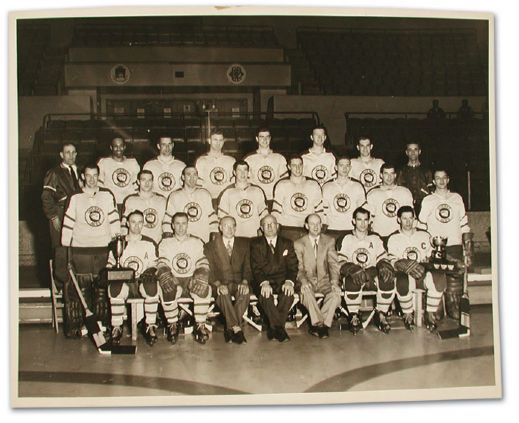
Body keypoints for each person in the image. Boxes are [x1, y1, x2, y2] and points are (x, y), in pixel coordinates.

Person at [61, 163, 121, 337]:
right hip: (81, 250)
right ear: (83, 177)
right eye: (88, 176)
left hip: (102, 249)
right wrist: (66, 248)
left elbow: (114, 221)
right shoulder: (75, 198)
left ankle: (101, 324)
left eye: (95, 175)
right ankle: (81, 325)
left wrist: (116, 241)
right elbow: (68, 224)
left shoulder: (106, 196)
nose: (92, 179)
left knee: (101, 290)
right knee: (82, 289)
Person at [419, 169, 472, 319]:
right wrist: (424, 248)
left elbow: (464, 225)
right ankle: (436, 307)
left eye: (444, 178)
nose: (441, 181)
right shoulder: (428, 200)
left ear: (448, 180)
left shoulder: (457, 198)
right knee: (437, 277)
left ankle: (453, 305)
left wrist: (468, 249)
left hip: (454, 244)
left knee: (455, 278)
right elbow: (422, 227)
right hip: (434, 247)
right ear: (433, 181)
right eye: (437, 178)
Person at [336, 207, 396, 335]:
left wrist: (384, 264)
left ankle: (381, 315)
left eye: (365, 220)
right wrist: (351, 268)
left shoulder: (375, 238)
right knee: (352, 280)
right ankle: (354, 316)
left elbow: (382, 258)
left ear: (369, 221)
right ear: (353, 221)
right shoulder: (346, 238)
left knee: (387, 278)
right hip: (354, 273)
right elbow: (340, 262)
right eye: (359, 220)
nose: (362, 224)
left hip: (371, 272)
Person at [387, 206, 447, 331]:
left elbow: (433, 256)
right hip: (405, 274)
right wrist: (400, 263)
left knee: (439, 277)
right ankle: (408, 314)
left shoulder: (424, 235)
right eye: (404, 218)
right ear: (399, 220)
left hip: (422, 272)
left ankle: (430, 314)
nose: (408, 222)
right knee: (401, 280)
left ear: (414, 219)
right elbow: (392, 261)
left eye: (410, 218)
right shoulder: (393, 238)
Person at [156, 212, 212, 344]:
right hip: (174, 279)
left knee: (204, 287)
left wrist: (201, 272)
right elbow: (162, 262)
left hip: (190, 279)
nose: (181, 227)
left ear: (188, 224)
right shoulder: (165, 242)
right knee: (166, 286)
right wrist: (166, 274)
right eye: (177, 224)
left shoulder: (196, 241)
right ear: (172, 225)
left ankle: (199, 325)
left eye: (184, 223)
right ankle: (173, 325)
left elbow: (202, 260)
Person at [105, 210, 159, 344]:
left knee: (151, 285)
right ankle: (117, 327)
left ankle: (150, 325)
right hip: (125, 283)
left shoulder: (149, 242)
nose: (137, 225)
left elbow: (154, 264)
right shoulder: (118, 242)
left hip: (141, 281)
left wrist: (151, 271)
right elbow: (110, 264)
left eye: (140, 222)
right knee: (115, 287)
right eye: (133, 222)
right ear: (127, 223)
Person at [250, 214, 298, 342]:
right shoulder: (255, 244)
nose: (270, 227)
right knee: (265, 295)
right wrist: (264, 283)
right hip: (264, 280)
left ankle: (273, 327)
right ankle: (279, 328)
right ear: (261, 228)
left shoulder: (287, 243)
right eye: (266, 224)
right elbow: (256, 269)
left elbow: (293, 267)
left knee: (288, 294)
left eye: (273, 224)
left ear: (277, 226)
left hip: (283, 280)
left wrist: (289, 282)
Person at [204, 216, 251, 344]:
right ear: (220, 227)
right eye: (226, 226)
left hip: (239, 283)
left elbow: (248, 266)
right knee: (223, 293)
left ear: (236, 228)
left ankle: (230, 328)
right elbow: (209, 270)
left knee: (245, 292)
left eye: (232, 226)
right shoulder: (210, 246)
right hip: (220, 283)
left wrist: (245, 282)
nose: (229, 229)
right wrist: (218, 285)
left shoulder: (245, 244)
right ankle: (236, 328)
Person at [41, 142, 82, 288]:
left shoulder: (80, 171)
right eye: (67, 152)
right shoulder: (54, 172)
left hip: (77, 212)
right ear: (61, 155)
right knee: (61, 248)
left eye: (73, 152)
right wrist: (53, 216)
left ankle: (76, 284)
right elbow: (46, 197)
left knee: (76, 247)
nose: (71, 155)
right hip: (61, 212)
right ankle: (61, 284)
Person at [294, 214, 341, 338]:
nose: (315, 226)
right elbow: (298, 268)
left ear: (321, 225)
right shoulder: (298, 243)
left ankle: (319, 325)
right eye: (312, 223)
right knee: (307, 292)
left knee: (336, 295)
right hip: (307, 280)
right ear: (306, 226)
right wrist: (303, 281)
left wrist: (334, 283)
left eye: (318, 223)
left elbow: (333, 264)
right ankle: (321, 325)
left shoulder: (329, 241)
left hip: (325, 281)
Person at [272, 155, 323, 241]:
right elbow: (276, 211)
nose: (298, 168)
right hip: (288, 229)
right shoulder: (282, 184)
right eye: (294, 165)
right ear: (289, 167)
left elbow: (320, 210)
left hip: (308, 230)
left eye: (300, 165)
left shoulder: (313, 184)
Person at [162, 166, 217, 243]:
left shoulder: (205, 194)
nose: (192, 178)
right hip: (182, 242)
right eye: (189, 174)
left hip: (203, 241)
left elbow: (212, 219)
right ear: (183, 177)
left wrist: (213, 237)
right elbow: (168, 221)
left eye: (195, 175)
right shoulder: (175, 196)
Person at [217, 160, 268, 238]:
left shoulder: (257, 191)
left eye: (245, 170)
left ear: (248, 172)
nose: (242, 173)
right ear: (234, 172)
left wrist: (262, 233)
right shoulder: (228, 192)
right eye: (239, 170)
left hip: (254, 236)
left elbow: (264, 215)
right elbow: (222, 218)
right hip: (236, 236)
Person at [365, 163, 414, 240]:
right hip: (379, 235)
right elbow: (368, 218)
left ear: (395, 175)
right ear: (381, 175)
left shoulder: (404, 192)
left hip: (399, 236)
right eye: (386, 173)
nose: (389, 177)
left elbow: (411, 216)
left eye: (392, 173)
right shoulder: (373, 193)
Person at [322, 156, 366, 238]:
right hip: (332, 229)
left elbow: (362, 211)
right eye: (341, 165)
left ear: (350, 167)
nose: (345, 168)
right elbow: (323, 210)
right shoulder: (327, 186)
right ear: (336, 167)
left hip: (351, 229)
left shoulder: (357, 186)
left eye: (347, 165)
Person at [244, 127, 288, 210]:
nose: (265, 140)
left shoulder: (279, 157)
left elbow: (284, 181)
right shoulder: (249, 159)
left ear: (270, 138)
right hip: (256, 199)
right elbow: (247, 182)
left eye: (267, 137)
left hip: (275, 199)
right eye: (261, 137)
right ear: (257, 139)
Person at [121, 170, 166, 245]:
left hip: (157, 243)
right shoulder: (131, 200)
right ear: (138, 182)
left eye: (149, 180)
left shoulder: (162, 200)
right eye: (143, 180)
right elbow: (124, 224)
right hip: (137, 243)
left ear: (153, 182)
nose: (147, 183)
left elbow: (166, 224)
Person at [97, 137, 140, 213]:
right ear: (111, 147)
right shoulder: (104, 162)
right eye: (115, 146)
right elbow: (99, 185)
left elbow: (136, 185)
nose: (118, 149)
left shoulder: (132, 163)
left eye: (121, 146)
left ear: (124, 147)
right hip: (111, 204)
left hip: (129, 203)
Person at [195, 127, 236, 207]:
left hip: (226, 200)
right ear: (209, 141)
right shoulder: (201, 160)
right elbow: (198, 185)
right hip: (208, 200)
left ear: (224, 142)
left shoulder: (231, 161)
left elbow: (233, 184)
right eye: (215, 140)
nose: (218, 143)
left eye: (220, 140)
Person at [396, 142, 433, 214]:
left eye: (415, 149)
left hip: (423, 207)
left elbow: (431, 190)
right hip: (405, 207)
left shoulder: (426, 170)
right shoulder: (401, 171)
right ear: (406, 152)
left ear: (419, 151)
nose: (413, 152)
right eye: (410, 150)